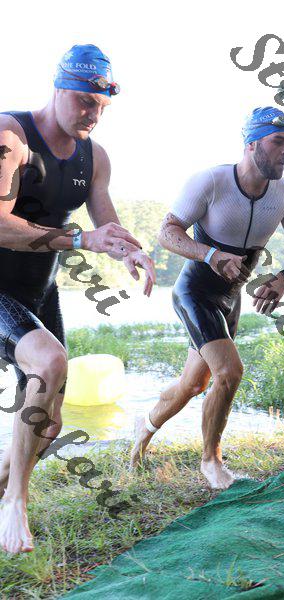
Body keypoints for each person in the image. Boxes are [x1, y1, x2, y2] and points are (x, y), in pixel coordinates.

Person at [0, 44, 155, 555]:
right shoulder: (11, 136)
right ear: (59, 88)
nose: (93, 114)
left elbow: (106, 223)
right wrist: (79, 239)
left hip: (38, 291)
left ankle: (3, 494)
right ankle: (16, 502)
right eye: (86, 101)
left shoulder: (95, 156)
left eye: (101, 106)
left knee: (48, 426)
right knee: (50, 359)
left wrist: (132, 250)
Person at [131, 106, 284, 489]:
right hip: (195, 290)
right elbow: (167, 232)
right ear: (252, 144)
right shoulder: (212, 181)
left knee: (193, 385)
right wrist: (211, 255)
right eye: (278, 142)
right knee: (229, 372)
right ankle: (211, 462)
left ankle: (143, 427)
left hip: (230, 299)